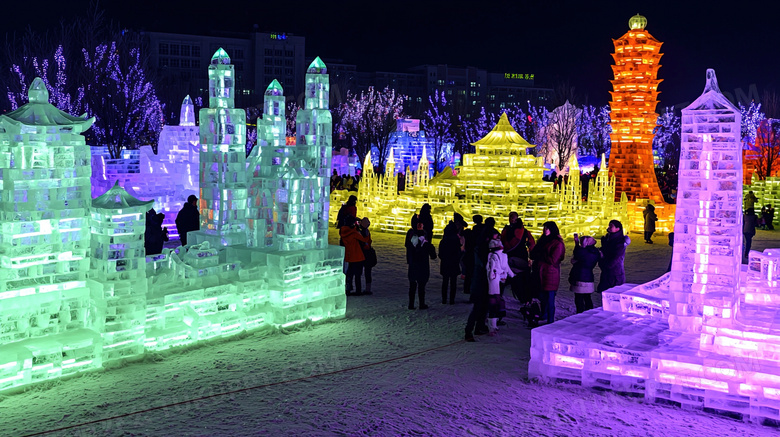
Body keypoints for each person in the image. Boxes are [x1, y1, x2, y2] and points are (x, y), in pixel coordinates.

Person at [530, 221, 565, 325]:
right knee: (541, 296)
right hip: (539, 272)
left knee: (550, 298)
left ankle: (550, 320)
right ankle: (543, 314)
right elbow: (533, 254)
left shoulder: (557, 243)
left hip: (550, 274)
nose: (545, 230)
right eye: (544, 228)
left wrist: (540, 254)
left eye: (548, 228)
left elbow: (553, 260)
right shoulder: (542, 240)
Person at [501, 212, 536, 303]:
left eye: (512, 218)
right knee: (522, 277)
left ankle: (521, 296)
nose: (511, 219)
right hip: (521, 255)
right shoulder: (524, 230)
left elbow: (503, 241)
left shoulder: (507, 230)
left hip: (511, 255)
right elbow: (531, 242)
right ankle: (524, 297)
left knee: (513, 277)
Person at [405, 215, 437, 309]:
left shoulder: (415, 233)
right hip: (418, 262)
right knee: (416, 284)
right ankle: (416, 304)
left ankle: (417, 304)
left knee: (418, 284)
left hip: (416, 262)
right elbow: (415, 246)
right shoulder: (415, 234)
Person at [486, 237, 514, 335]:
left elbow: (501, 268)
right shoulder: (496, 256)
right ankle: (492, 325)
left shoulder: (496, 256)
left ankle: (493, 325)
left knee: (495, 302)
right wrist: (505, 274)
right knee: (494, 302)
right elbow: (498, 268)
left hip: (496, 281)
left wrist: (506, 274)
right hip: (495, 281)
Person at [569, 235, 601, 314]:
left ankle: (580, 315)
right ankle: (589, 314)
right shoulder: (595, 252)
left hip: (579, 276)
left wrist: (576, 244)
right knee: (587, 297)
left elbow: (577, 253)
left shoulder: (583, 251)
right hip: (589, 277)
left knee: (579, 299)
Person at [597, 220, 631, 293]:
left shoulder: (619, 242)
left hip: (615, 272)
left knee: (613, 292)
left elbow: (616, 258)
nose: (608, 227)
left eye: (611, 226)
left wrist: (605, 264)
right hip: (606, 269)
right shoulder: (608, 239)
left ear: (617, 229)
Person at [340, 215, 370, 295]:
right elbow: (364, 239)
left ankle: (348, 289)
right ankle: (358, 291)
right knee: (358, 275)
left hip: (349, 256)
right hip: (358, 256)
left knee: (349, 274)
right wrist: (365, 232)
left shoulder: (343, 232)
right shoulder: (354, 233)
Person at [438, 223, 462, 304]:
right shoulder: (456, 241)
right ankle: (452, 300)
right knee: (453, 282)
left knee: (445, 282)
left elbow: (440, 254)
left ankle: (444, 299)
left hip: (445, 263)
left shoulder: (443, 240)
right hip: (454, 263)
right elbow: (459, 253)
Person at [462, 215, 484, 295]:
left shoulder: (474, 230)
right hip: (479, 252)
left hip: (472, 253)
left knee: (469, 272)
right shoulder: (482, 228)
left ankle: (467, 288)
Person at [359, 217, 376, 295]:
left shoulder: (360, 231)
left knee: (359, 272)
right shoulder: (367, 232)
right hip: (367, 253)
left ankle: (358, 288)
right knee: (367, 272)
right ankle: (368, 288)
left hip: (362, 253)